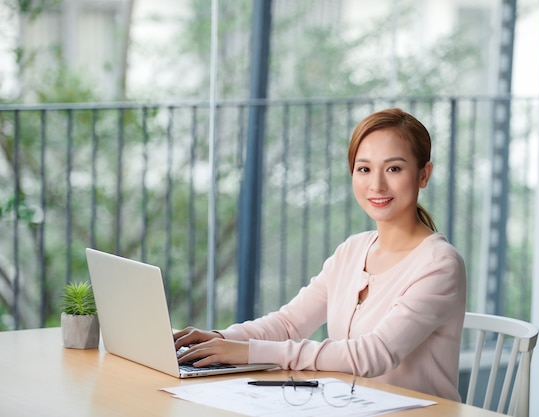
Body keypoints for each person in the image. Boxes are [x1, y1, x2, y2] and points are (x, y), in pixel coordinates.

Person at [174, 107, 467, 401]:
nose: (376, 184)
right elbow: (289, 323)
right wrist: (224, 338)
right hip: (351, 407)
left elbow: (374, 355)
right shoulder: (352, 251)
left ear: (423, 174)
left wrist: (249, 352)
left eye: (393, 168)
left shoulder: (439, 264)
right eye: (364, 169)